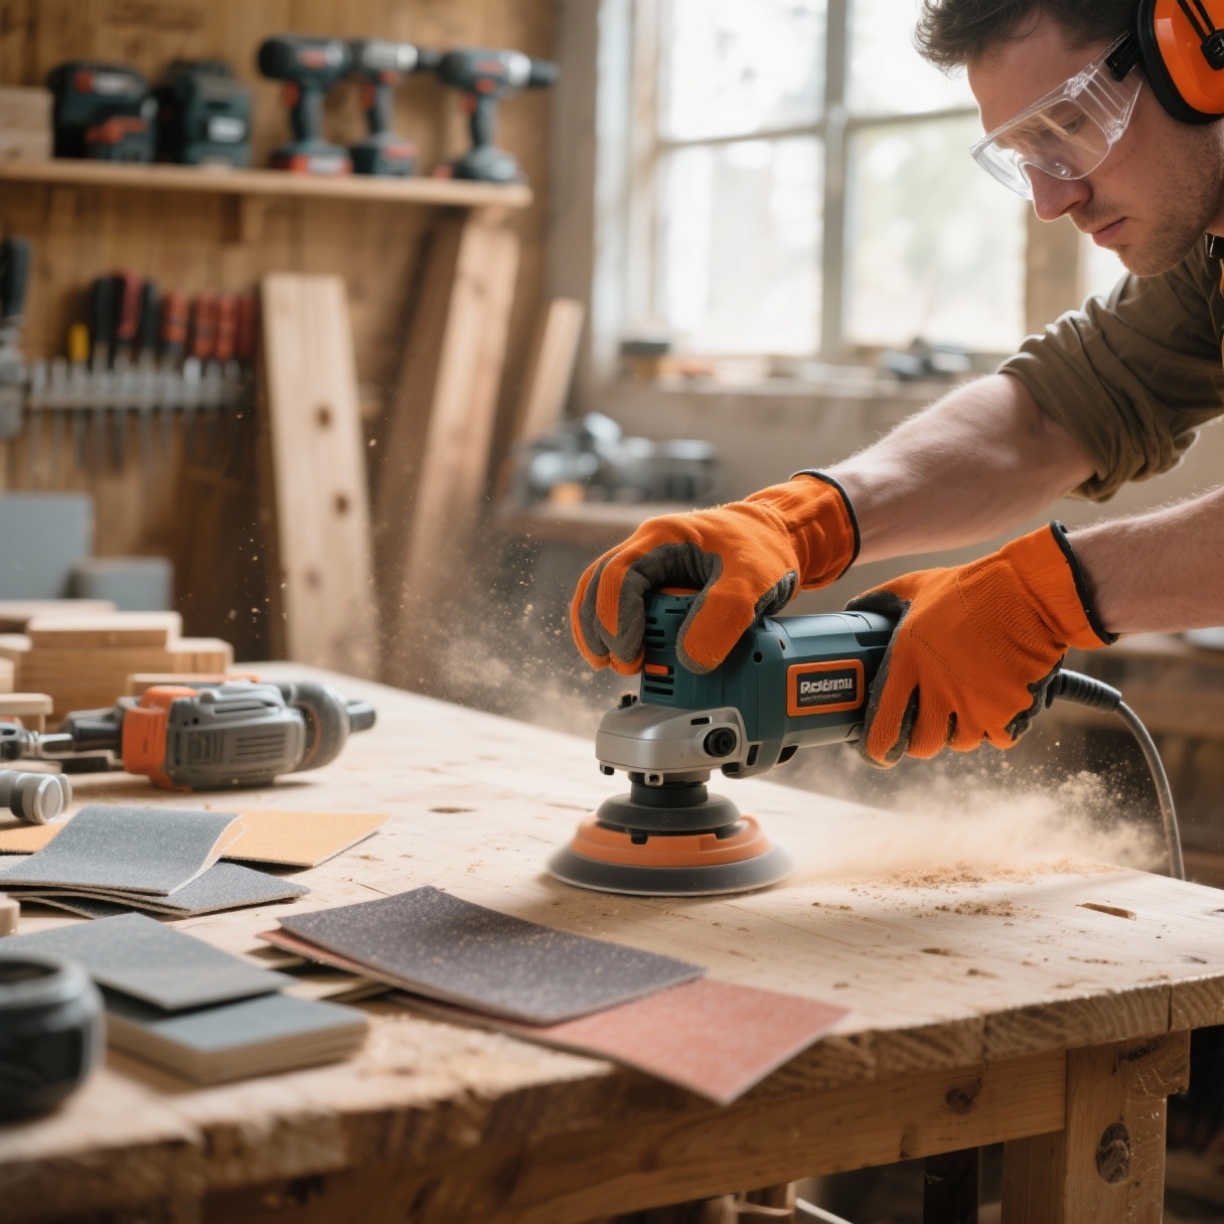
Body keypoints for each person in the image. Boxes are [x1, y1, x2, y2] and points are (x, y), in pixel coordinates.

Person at [571, 0, 1224, 767]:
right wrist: (802, 521)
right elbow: (1050, 417)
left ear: (1199, 48)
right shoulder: (1205, 261)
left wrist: (1046, 598)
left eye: (1070, 128)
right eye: (1027, 159)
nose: (1054, 201)